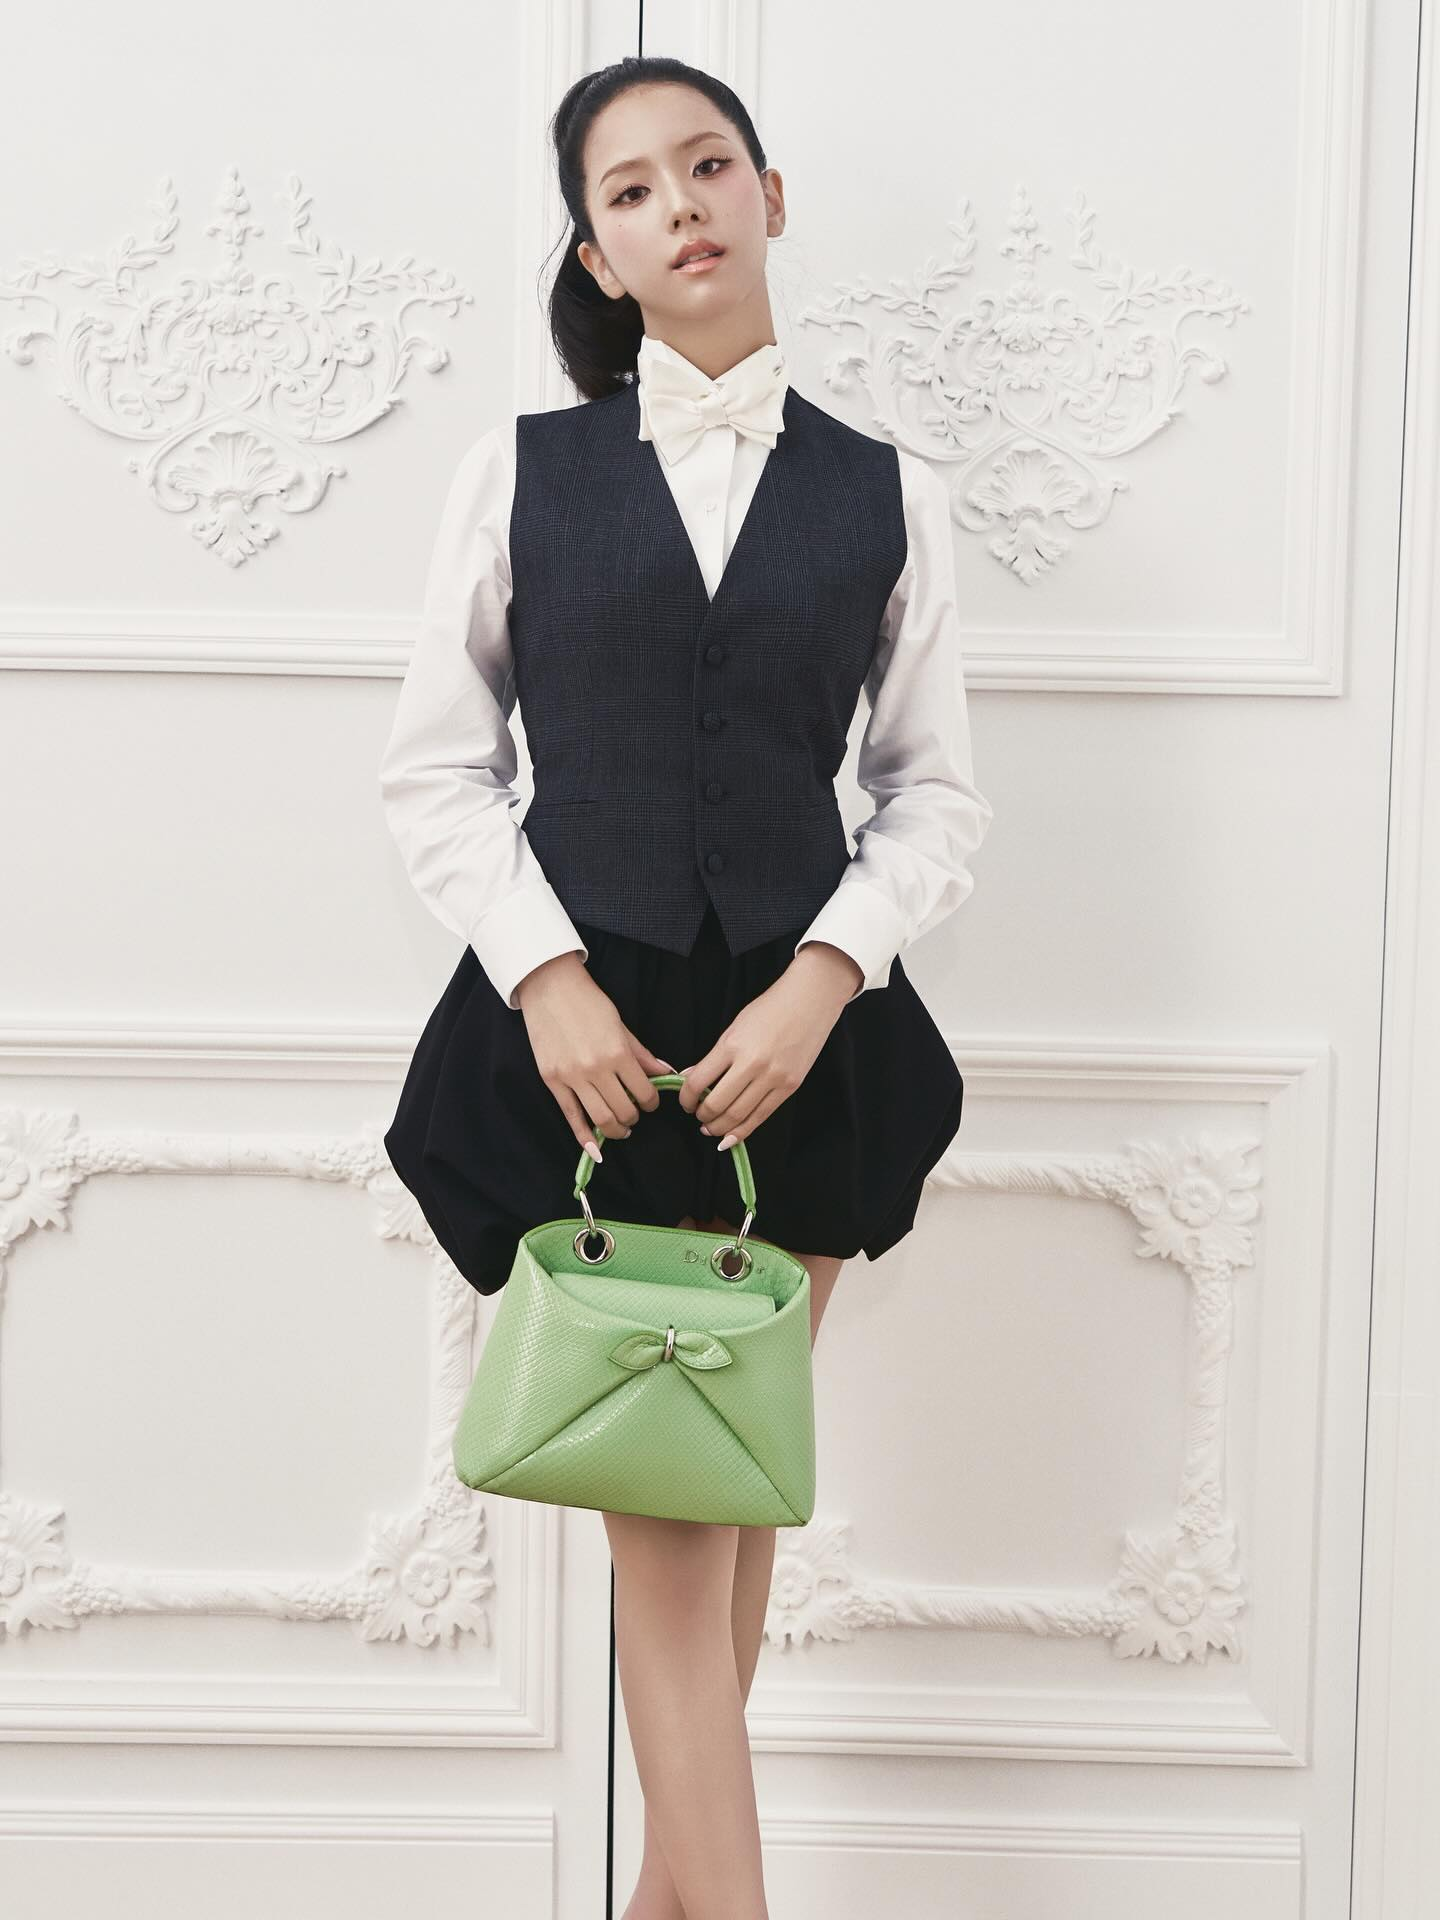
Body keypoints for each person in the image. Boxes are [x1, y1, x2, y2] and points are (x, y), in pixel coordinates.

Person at [378, 54, 994, 1920]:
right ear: (599, 253)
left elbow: (935, 795)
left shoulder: (890, 494)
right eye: (631, 190)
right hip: (588, 1045)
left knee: (724, 1498)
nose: (680, 205)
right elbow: (436, 770)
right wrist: (547, 979)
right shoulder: (520, 471)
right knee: (674, 1532)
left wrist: (825, 977)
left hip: (804, 1046)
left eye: (707, 165)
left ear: (770, 195)